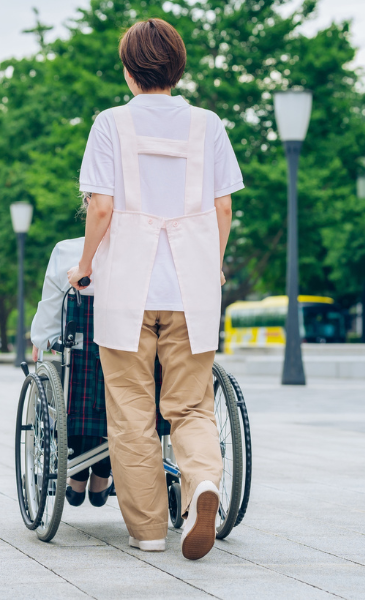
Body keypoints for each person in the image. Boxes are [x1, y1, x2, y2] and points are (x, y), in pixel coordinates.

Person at [68, 18, 243, 560]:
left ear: (129, 70)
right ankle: (203, 486)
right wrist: (212, 263)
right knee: (190, 406)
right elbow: (223, 207)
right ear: (177, 66)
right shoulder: (208, 124)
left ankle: (147, 531)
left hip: (127, 286)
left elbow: (100, 206)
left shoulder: (110, 124)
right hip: (191, 285)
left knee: (130, 410)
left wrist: (83, 264)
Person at [30, 199, 115, 508]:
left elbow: (52, 306)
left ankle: (78, 473)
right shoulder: (149, 256)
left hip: (83, 357)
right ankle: (102, 472)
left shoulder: (67, 252)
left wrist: (42, 337)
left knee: (78, 382)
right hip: (140, 351)